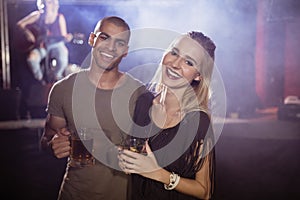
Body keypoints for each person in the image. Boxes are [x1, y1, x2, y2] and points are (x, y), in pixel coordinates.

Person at [40, 16, 145, 200]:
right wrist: (52, 145)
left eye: (119, 43)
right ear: (92, 39)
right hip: (73, 194)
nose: (111, 48)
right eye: (104, 37)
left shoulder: (138, 93)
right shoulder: (63, 89)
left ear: (126, 51)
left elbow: (151, 148)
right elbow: (47, 137)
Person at [118, 31, 216, 199]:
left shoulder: (198, 121)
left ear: (198, 75)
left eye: (188, 62)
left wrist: (158, 173)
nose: (175, 64)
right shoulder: (143, 101)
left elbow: (204, 191)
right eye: (174, 52)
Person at [16, 0, 72, 83]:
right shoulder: (37, 15)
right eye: (45, 2)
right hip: (42, 45)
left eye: (49, 2)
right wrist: (28, 34)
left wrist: (68, 38)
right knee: (32, 59)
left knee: (63, 56)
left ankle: (57, 77)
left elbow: (64, 36)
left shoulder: (59, 17)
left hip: (56, 44)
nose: (46, 5)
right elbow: (20, 24)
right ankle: (40, 80)